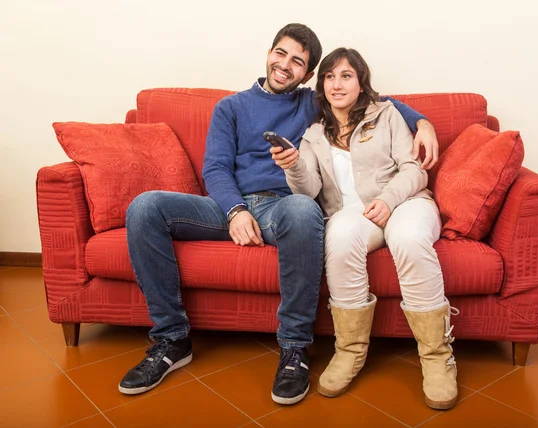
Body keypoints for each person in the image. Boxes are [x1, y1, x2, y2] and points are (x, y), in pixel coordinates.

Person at [119, 24, 440, 406]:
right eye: (281, 54)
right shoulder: (231, 107)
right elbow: (216, 169)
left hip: (283, 208)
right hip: (226, 206)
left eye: (298, 62)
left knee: (304, 209)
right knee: (145, 207)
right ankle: (172, 339)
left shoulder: (314, 102)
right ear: (269, 53)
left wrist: (423, 122)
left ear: (308, 75)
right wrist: (235, 210)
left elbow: (373, 100)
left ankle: (294, 350)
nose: (285, 65)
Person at [273, 47, 459, 410]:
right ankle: (349, 351)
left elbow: (414, 168)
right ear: (321, 84)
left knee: (407, 238)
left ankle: (437, 357)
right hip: (352, 214)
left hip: (405, 203)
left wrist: (389, 200)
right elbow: (308, 190)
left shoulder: (387, 114)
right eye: (329, 76)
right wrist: (292, 165)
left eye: (346, 76)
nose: (337, 84)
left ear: (361, 84)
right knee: (339, 237)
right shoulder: (312, 134)